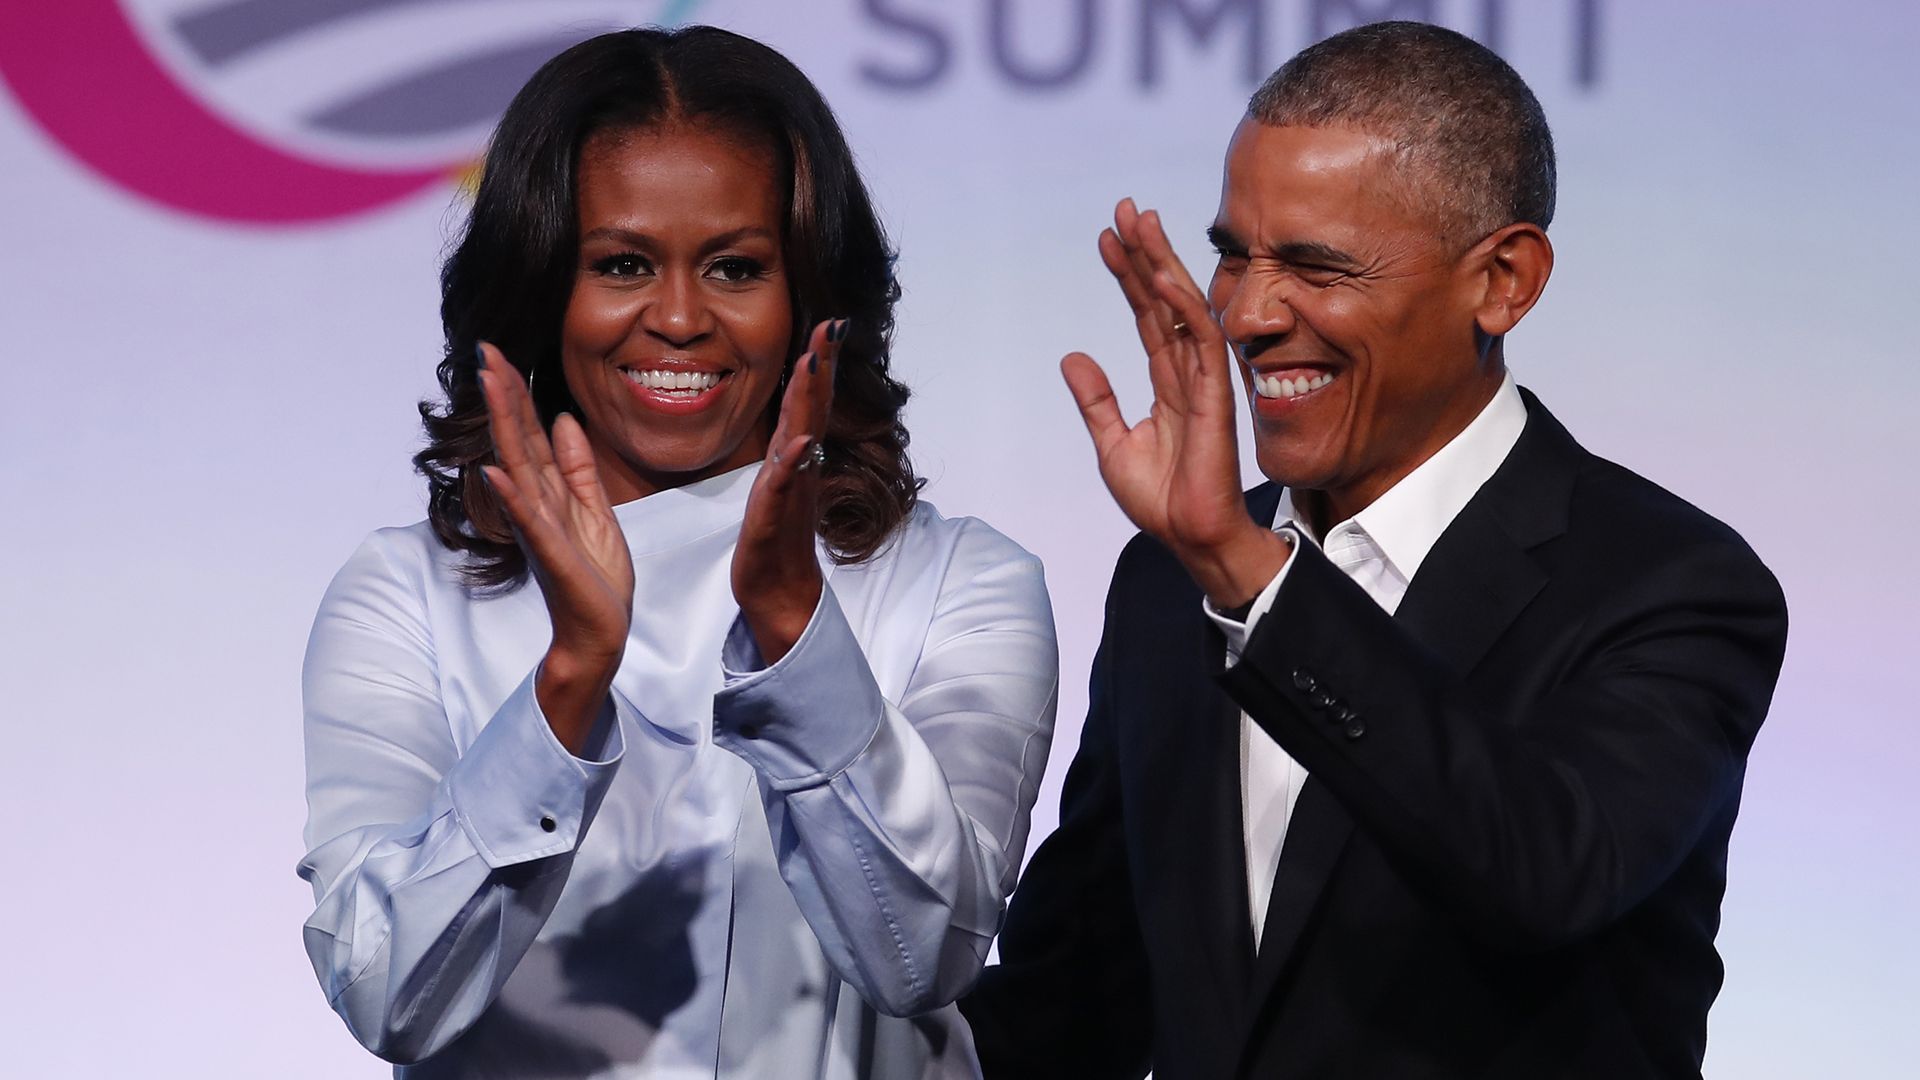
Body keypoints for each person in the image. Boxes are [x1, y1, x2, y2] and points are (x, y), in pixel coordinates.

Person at [961, 21, 1786, 1080]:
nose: (1247, 314)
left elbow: (1544, 872)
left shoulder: (1669, 583)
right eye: (1232, 253)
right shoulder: (1175, 581)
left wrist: (1254, 581)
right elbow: (1072, 996)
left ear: (1502, 280)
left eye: (1316, 265)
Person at [297, 27, 1057, 1079]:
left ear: (811, 299)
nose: (681, 317)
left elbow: (919, 957)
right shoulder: (404, 596)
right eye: (621, 265)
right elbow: (390, 996)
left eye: (737, 268)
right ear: (539, 288)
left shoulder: (962, 582)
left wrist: (795, 631)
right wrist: (569, 686)